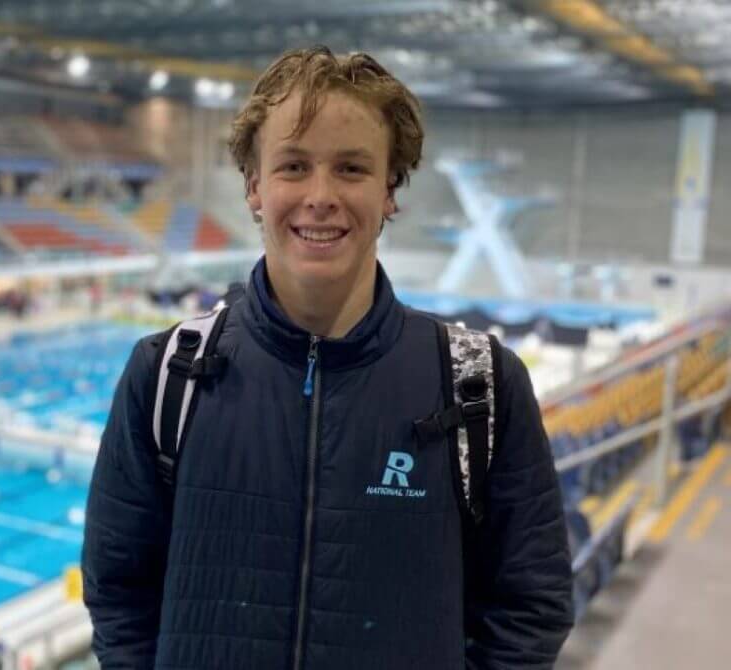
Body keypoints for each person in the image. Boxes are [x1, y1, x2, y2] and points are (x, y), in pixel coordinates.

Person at [82, 45, 574, 669]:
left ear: (390, 188)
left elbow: (532, 604)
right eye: (293, 166)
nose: (320, 196)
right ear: (254, 186)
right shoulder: (165, 377)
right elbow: (118, 590)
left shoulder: (480, 386)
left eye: (351, 169)